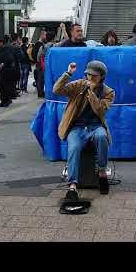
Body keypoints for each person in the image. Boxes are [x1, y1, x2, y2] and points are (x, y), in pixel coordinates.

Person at [53, 60, 115, 199]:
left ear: (102, 77)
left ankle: (102, 173)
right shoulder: (79, 85)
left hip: (96, 126)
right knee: (73, 147)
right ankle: (72, 186)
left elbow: (100, 110)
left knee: (102, 137)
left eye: (94, 76)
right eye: (88, 75)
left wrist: (92, 93)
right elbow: (56, 90)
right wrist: (68, 73)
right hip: (77, 127)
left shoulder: (108, 92)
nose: (90, 78)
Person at [0, 37, 15, 108]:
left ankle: (6, 100)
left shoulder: (6, 50)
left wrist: (4, 63)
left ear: (1, 43)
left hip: (6, 71)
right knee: (0, 86)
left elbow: (10, 59)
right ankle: (3, 101)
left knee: (4, 86)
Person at [33, 29, 47, 98]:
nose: (46, 36)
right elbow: (37, 56)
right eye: (45, 35)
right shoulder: (39, 45)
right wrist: (39, 62)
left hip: (40, 64)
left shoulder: (39, 44)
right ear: (41, 35)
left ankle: (41, 92)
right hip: (40, 65)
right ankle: (40, 93)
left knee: (40, 79)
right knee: (40, 80)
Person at [10, 33, 23, 98]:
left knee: (11, 80)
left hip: (10, 65)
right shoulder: (17, 46)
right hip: (16, 65)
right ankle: (14, 93)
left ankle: (12, 92)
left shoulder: (9, 46)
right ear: (17, 38)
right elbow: (21, 56)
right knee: (15, 79)